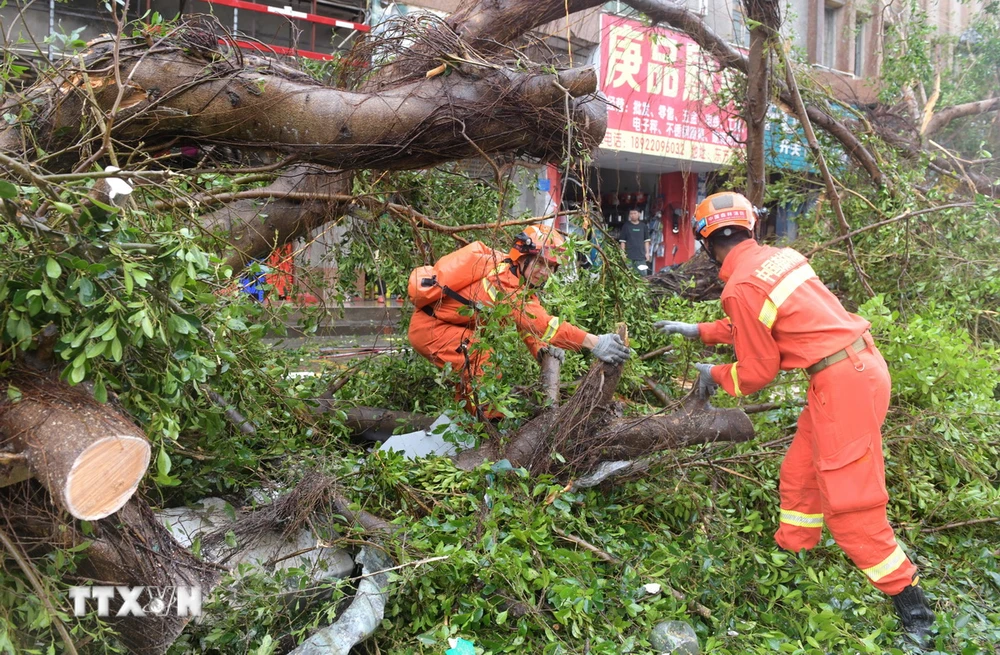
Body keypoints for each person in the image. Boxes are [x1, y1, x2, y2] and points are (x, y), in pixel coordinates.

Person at [654, 191, 935, 643]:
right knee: (800, 473)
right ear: (751, 228)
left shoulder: (740, 286)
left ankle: (915, 612)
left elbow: (758, 370)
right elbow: (772, 321)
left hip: (844, 386)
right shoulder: (780, 258)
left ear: (706, 243)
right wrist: (700, 331)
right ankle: (792, 557)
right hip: (854, 371)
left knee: (850, 507)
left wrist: (717, 374)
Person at [408, 225, 631, 418]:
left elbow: (525, 323)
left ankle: (467, 423)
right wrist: (595, 342)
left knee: (473, 365)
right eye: (539, 263)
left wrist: (540, 349)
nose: (543, 272)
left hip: (445, 327)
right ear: (522, 258)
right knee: (479, 359)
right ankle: (490, 426)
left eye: (550, 267)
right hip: (431, 329)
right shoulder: (504, 282)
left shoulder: (515, 280)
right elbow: (543, 324)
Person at [618, 209, 651, 275]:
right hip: (629, 256)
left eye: (634, 213)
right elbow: (622, 242)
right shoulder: (626, 226)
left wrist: (647, 253)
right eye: (631, 213)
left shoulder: (643, 226)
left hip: (641, 256)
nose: (632, 215)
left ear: (639, 214)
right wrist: (622, 253)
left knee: (643, 275)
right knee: (628, 276)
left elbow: (646, 241)